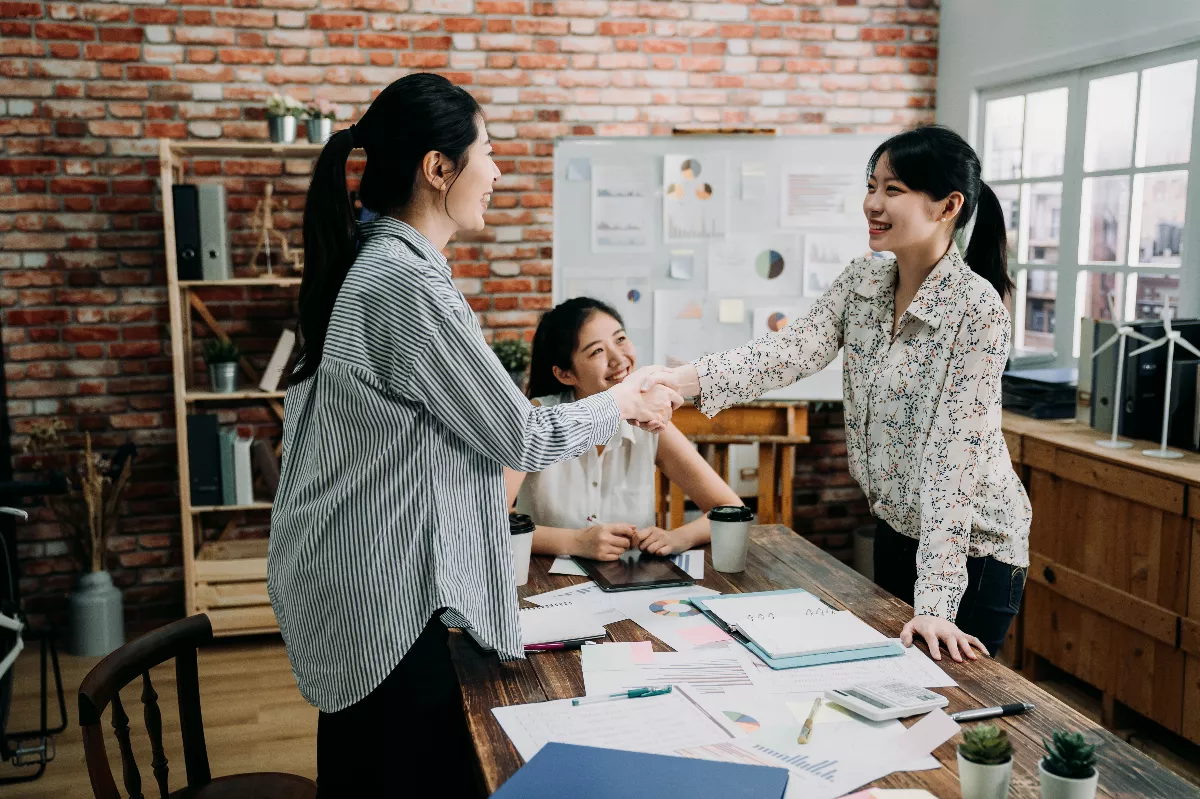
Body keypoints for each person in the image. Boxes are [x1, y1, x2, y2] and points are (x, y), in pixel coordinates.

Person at [266, 73, 682, 796]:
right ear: (438, 168)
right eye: (487, 151)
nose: (497, 172)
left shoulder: (383, 264)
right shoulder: (403, 281)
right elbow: (516, 433)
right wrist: (621, 400)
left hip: (362, 582)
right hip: (380, 597)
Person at [648, 125, 1031, 664]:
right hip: (898, 531)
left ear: (948, 205)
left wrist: (939, 602)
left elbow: (954, 463)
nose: (872, 204)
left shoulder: (978, 311)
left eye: (893, 190)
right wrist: (677, 382)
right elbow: (787, 354)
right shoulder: (864, 281)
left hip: (975, 550)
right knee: (898, 690)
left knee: (953, 703)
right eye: (871, 186)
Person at [504, 298, 743, 560]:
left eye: (620, 339)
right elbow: (488, 523)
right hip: (543, 583)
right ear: (565, 374)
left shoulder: (650, 422)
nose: (619, 359)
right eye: (596, 351)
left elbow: (730, 508)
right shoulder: (535, 422)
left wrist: (676, 538)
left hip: (630, 584)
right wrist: (574, 541)